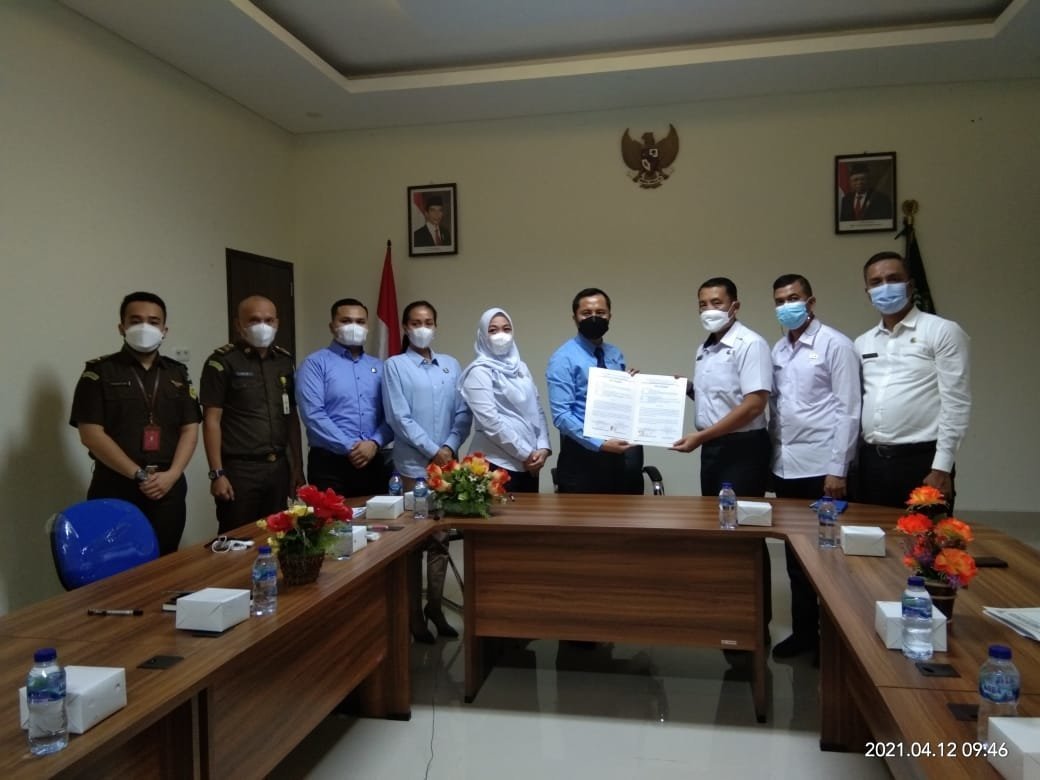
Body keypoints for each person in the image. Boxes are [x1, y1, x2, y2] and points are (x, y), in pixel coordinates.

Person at [767, 274, 860, 661]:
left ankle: (833, 641)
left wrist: (838, 469)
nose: (786, 305)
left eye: (793, 298)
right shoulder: (778, 349)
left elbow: (849, 409)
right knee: (795, 556)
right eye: (780, 300)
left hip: (823, 469)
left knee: (829, 556)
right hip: (785, 466)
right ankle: (805, 633)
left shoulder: (835, 344)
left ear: (811, 301)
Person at [69, 292, 201, 555]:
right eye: (136, 320)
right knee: (116, 564)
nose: (145, 327)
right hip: (116, 485)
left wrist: (173, 474)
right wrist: (138, 474)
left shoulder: (177, 373)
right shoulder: (99, 372)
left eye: (153, 322)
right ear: (122, 327)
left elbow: (190, 428)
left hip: (167, 485)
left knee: (166, 561)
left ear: (164, 330)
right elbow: (91, 434)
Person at [383, 301, 472, 642]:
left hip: (447, 466)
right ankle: (413, 615)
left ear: (436, 326)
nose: (423, 328)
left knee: (441, 540)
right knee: (414, 542)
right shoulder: (395, 366)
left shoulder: (450, 365)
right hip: (413, 467)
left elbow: (463, 413)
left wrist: (449, 446)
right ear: (405, 327)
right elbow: (398, 417)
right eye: (416, 322)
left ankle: (435, 607)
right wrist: (433, 450)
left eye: (429, 322)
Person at [854, 251, 970, 509]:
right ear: (868, 292)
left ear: (911, 285)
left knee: (923, 534)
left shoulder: (941, 331)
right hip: (872, 462)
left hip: (922, 461)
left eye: (893, 279)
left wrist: (941, 467)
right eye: (876, 282)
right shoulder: (862, 342)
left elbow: (956, 403)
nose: (885, 287)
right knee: (869, 534)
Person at [199, 295, 304, 534]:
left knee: (277, 537)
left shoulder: (284, 361)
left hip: (278, 467)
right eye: (254, 320)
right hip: (240, 470)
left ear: (277, 323)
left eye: (269, 320)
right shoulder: (222, 362)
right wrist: (217, 473)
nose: (262, 326)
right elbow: (211, 421)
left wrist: (297, 466)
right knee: (238, 538)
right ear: (239, 324)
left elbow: (290, 417)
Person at [671, 277, 772, 496]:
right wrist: (689, 389)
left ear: (735, 306)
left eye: (716, 303)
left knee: (737, 514)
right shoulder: (704, 349)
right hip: (712, 447)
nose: (709, 310)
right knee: (711, 513)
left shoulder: (750, 344)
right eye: (703, 304)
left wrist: (701, 437)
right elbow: (720, 398)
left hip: (743, 449)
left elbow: (754, 405)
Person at [546, 287, 643, 494]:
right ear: (575, 318)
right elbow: (561, 415)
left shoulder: (615, 354)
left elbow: (619, 401)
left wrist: (632, 386)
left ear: (609, 316)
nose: (594, 318)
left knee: (624, 513)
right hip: (582, 457)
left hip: (618, 455)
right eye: (586, 313)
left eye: (600, 313)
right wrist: (599, 444)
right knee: (585, 515)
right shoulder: (563, 358)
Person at [296, 298, 393, 498]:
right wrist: (351, 447)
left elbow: (392, 414)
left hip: (373, 460)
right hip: (330, 464)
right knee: (331, 518)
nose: (354, 326)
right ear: (332, 326)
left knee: (376, 518)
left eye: (360, 322)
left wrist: (375, 443)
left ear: (367, 326)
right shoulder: (315, 364)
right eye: (346, 321)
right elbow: (313, 414)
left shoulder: (380, 367)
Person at [458, 308, 551, 492]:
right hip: (495, 464)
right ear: (482, 335)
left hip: (529, 465)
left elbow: (537, 409)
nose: (501, 335)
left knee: (530, 512)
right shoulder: (478, 371)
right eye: (493, 330)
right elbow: (490, 422)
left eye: (506, 329)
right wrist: (526, 454)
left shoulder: (521, 368)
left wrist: (543, 448)